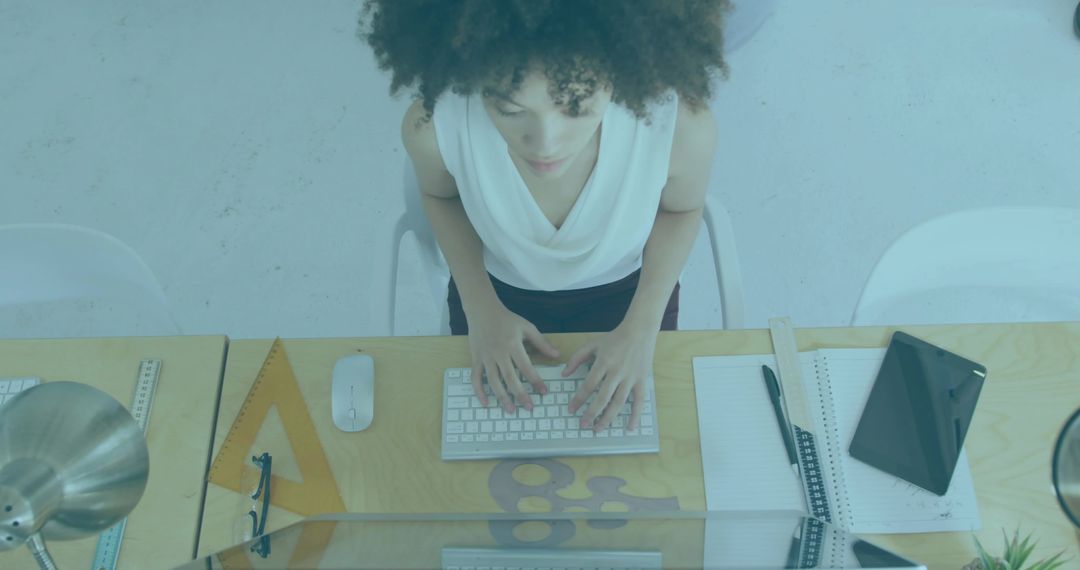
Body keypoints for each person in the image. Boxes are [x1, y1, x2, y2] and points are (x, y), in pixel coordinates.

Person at [359, 0, 730, 433]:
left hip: (632, 295)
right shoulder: (434, 126)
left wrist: (641, 328)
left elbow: (682, 209)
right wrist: (481, 308)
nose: (544, 144)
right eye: (511, 110)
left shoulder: (680, 125)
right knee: (482, 450)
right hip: (493, 293)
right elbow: (440, 197)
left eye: (575, 105)